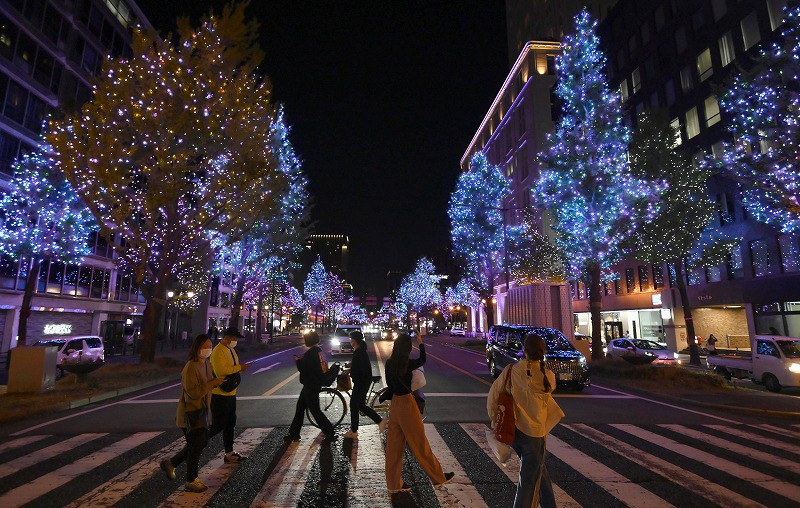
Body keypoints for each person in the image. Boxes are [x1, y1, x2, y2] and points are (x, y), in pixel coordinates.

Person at [487, 333, 557, 508]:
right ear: (543, 352)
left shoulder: (512, 370)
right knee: (528, 480)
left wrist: (494, 421)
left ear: (524, 350)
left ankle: (550, 504)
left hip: (515, 431)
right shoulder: (548, 377)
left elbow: (493, 396)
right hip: (535, 435)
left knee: (537, 471)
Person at [384, 332, 454, 494]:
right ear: (408, 349)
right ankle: (438, 477)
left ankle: (393, 483)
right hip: (407, 404)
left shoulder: (389, 363)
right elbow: (423, 360)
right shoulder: (407, 363)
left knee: (394, 446)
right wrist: (421, 343)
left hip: (395, 404)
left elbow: (390, 385)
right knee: (420, 444)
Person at [160, 334, 226, 493]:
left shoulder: (206, 364)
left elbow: (209, 385)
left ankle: (171, 463)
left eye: (210, 346)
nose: (208, 349)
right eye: (205, 346)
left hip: (201, 413)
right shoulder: (191, 366)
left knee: (198, 444)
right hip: (190, 414)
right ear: (197, 348)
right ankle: (191, 480)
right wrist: (212, 383)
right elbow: (193, 392)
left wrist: (219, 383)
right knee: (196, 445)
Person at [286, 331, 340, 442]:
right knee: (300, 409)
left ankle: (330, 433)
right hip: (312, 384)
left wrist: (297, 361)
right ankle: (294, 433)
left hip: (311, 385)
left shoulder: (311, 353)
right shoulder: (319, 351)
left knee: (315, 411)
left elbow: (303, 368)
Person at [208, 327, 252, 463]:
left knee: (230, 423)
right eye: (234, 338)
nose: (235, 341)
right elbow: (221, 370)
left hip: (230, 393)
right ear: (226, 337)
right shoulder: (218, 351)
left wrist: (239, 368)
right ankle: (195, 443)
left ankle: (229, 452)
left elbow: (231, 367)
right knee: (218, 425)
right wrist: (240, 368)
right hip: (220, 394)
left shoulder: (230, 349)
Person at [343, 331, 384, 440]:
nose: (350, 341)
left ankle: (354, 430)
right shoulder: (360, 349)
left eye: (351, 338)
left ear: (355, 340)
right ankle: (379, 421)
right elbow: (358, 364)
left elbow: (359, 368)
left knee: (354, 405)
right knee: (360, 405)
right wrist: (350, 366)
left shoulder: (359, 351)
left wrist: (348, 371)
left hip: (361, 382)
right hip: (363, 381)